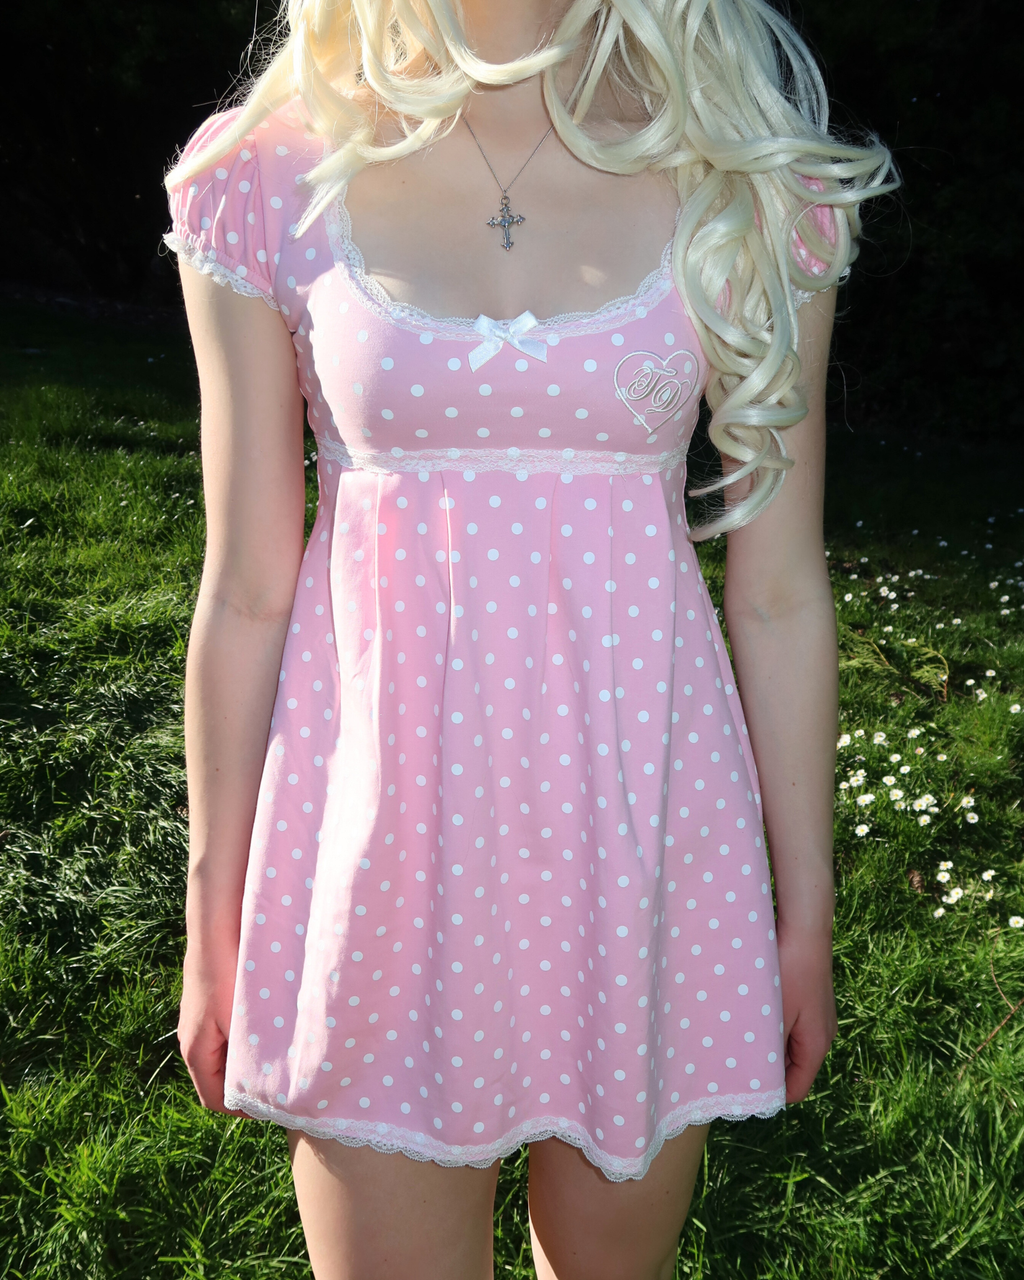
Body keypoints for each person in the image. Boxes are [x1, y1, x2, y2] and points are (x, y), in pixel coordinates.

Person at [164, 1, 894, 1275]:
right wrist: (211, 910)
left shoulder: (740, 178)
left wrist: (805, 911)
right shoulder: (268, 174)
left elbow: (776, 592)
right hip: (380, 860)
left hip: (641, 848)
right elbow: (245, 589)